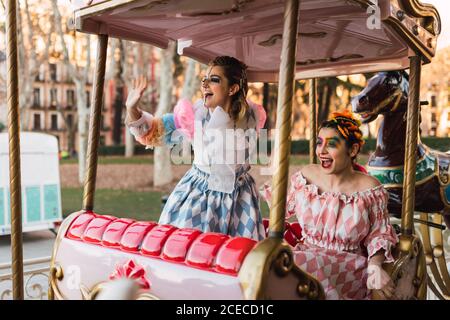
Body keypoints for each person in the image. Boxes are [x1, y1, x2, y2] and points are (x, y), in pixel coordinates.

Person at [125, 56, 266, 240]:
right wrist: (132, 109)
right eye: (204, 80)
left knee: (239, 256)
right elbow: (153, 131)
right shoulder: (195, 115)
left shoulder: (251, 116)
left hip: (240, 197)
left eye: (214, 80)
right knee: (196, 250)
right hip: (201, 196)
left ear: (233, 88)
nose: (205, 84)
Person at [261, 110, 398, 299]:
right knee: (273, 261)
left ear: (353, 150)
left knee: (293, 266)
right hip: (307, 255)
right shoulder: (307, 176)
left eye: (331, 144)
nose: (321, 151)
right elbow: (282, 210)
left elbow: (379, 235)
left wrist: (375, 266)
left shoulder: (369, 189)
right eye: (319, 142)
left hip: (348, 267)